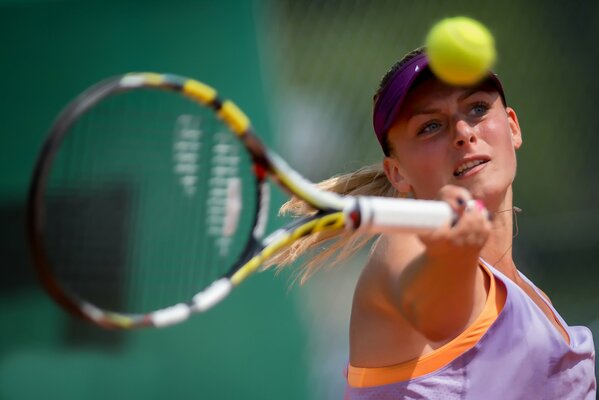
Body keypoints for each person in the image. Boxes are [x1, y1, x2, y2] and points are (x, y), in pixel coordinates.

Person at [269, 47, 596, 399]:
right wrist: (452, 255)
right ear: (397, 173)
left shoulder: (530, 295)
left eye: (477, 109)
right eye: (430, 126)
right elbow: (439, 316)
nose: (463, 132)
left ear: (513, 128)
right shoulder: (407, 244)